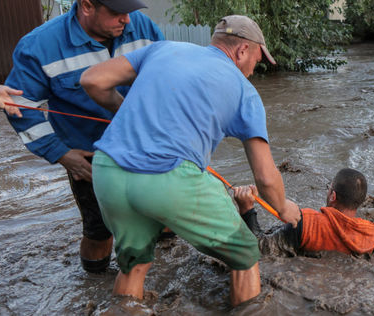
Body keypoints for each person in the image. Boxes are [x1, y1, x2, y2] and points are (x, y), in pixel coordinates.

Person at [79, 15, 301, 306]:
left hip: (107, 170)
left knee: (133, 265)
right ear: (242, 50)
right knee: (246, 254)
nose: (252, 70)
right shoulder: (245, 91)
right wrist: (284, 208)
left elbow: (92, 80)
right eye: (257, 61)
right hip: (167, 178)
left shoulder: (163, 48)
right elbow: (265, 177)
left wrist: (123, 110)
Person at [0, 0, 164, 273]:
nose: (128, 20)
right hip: (89, 157)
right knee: (99, 232)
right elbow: (22, 108)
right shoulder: (39, 46)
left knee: (164, 212)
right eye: (118, 12)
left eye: (130, 12)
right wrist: (61, 153)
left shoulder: (143, 27)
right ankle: (94, 284)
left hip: (148, 145)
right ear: (86, 6)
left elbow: (166, 78)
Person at [233, 168, 374, 257]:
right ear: (360, 201)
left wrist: (247, 209)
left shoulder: (306, 224)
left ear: (332, 196)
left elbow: (259, 249)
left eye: (329, 188)